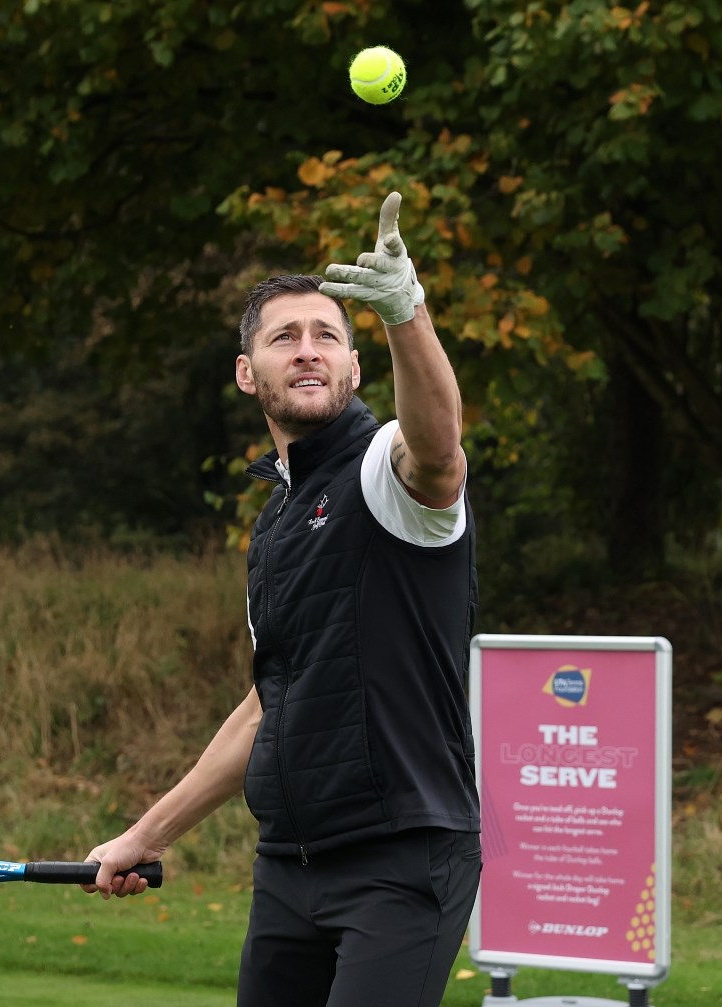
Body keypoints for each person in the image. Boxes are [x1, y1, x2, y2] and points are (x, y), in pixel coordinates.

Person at [83, 191, 481, 1007]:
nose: (308, 351)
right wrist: (144, 834)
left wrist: (407, 312)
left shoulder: (383, 469)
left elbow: (439, 452)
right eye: (285, 337)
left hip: (402, 863)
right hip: (291, 866)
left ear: (354, 365)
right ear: (246, 373)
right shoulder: (277, 525)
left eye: (328, 336)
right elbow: (272, 703)